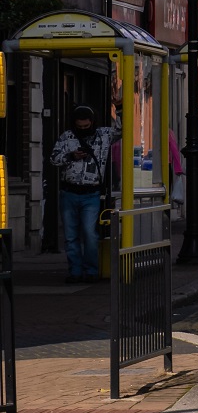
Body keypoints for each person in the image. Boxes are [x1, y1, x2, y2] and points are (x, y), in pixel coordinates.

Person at [49, 106, 115, 283]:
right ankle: (75, 272)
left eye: (87, 126)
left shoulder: (104, 135)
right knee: (71, 236)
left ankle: (91, 271)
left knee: (89, 233)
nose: (84, 129)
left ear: (93, 122)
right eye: (80, 126)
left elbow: (123, 129)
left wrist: (121, 108)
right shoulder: (66, 137)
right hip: (69, 192)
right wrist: (71, 156)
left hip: (91, 193)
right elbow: (53, 159)